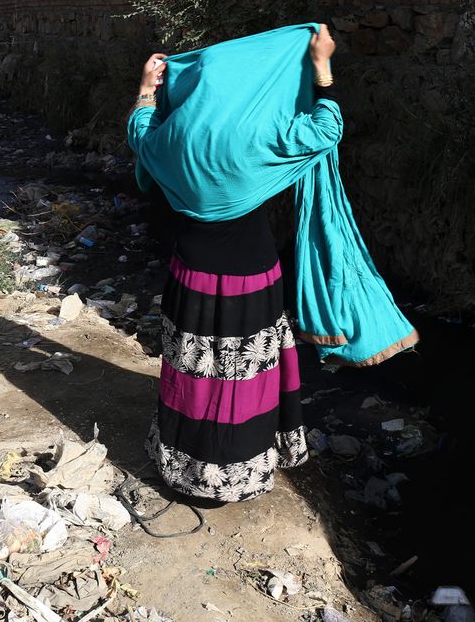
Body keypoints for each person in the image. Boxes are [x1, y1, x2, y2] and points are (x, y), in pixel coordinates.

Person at [127, 26, 340, 503]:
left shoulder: (173, 139)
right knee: (247, 375)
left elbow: (139, 134)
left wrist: (146, 90)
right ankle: (242, 472)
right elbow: (328, 129)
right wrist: (322, 69)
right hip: (255, 276)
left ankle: (187, 469)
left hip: (191, 274)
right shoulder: (260, 134)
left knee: (194, 373)